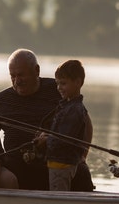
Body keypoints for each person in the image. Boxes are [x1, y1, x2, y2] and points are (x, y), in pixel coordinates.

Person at [0, 48, 94, 191]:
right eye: (12, 76)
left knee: (81, 172)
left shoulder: (58, 89)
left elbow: (84, 121)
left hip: (56, 159)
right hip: (17, 162)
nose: (17, 81)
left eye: (21, 75)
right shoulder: (1, 101)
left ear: (36, 71)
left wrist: (82, 155)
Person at [34, 60, 93, 191]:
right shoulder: (67, 106)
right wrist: (47, 135)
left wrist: (46, 140)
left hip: (62, 164)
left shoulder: (74, 110)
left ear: (78, 82)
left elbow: (64, 139)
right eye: (57, 83)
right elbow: (61, 134)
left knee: (58, 195)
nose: (59, 87)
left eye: (63, 83)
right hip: (57, 162)